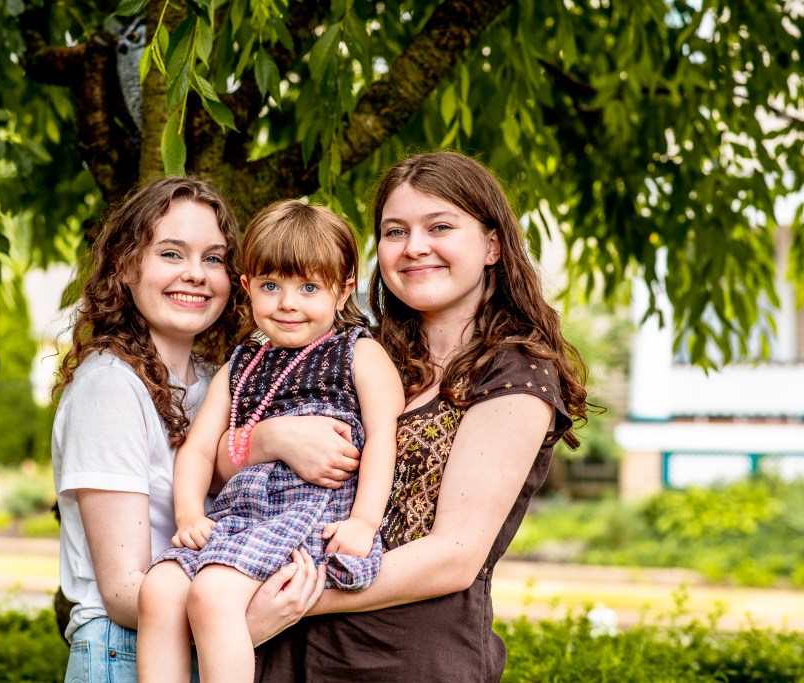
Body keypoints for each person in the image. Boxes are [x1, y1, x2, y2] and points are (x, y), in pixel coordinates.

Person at [242, 150, 590, 682]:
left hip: (407, 662)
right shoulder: (355, 354)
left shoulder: (513, 373)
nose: (415, 247)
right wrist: (271, 438)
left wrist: (291, 598)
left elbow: (453, 556)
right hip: (288, 654)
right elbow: (222, 465)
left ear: (492, 245)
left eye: (440, 226)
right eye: (395, 231)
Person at [51, 178, 323, 683]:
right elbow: (122, 589)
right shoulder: (110, 387)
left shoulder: (218, 378)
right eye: (172, 254)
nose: (196, 275)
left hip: (200, 641)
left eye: (214, 258)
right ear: (126, 266)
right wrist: (245, 616)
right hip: (124, 651)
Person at [136, 200, 404, 683]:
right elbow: (198, 449)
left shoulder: (359, 354)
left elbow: (384, 438)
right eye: (271, 286)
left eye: (308, 287)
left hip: (309, 513)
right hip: (239, 517)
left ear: (343, 292)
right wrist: (190, 513)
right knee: (158, 589)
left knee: (212, 595)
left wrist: (365, 521)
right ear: (247, 288)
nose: (288, 303)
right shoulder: (241, 365)